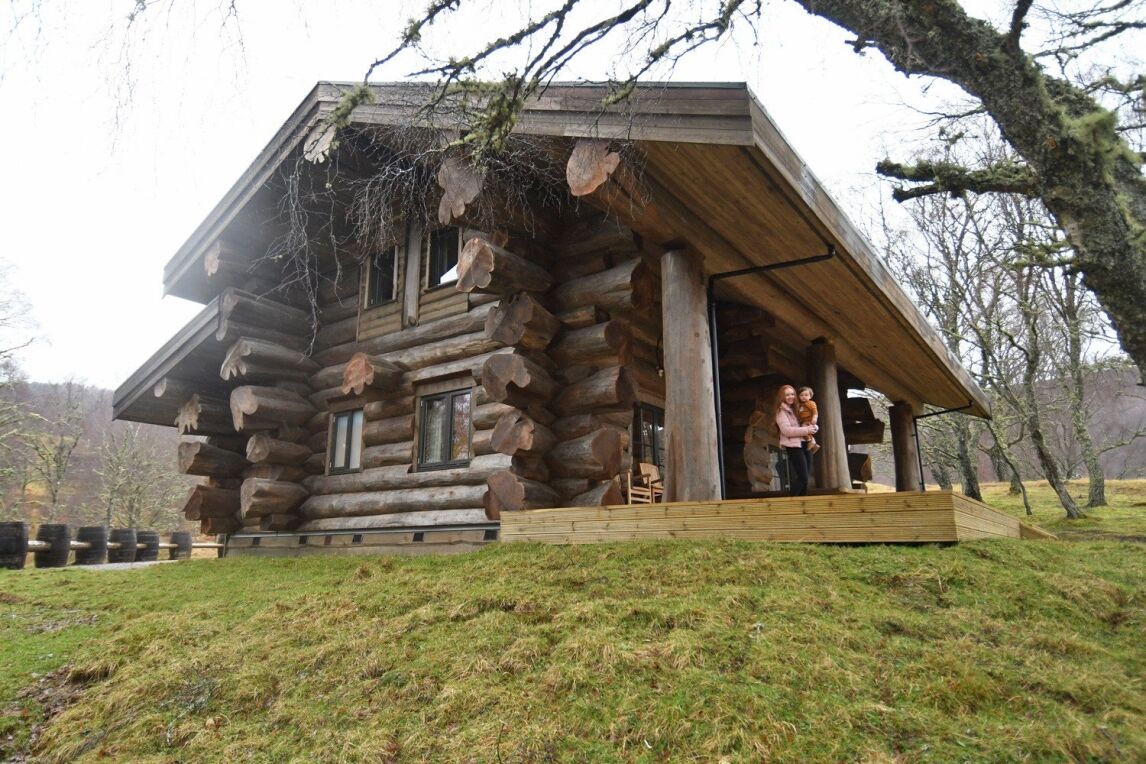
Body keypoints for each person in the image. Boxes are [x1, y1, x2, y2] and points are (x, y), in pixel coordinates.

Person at [773, 384, 818, 496]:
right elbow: (786, 430)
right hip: (793, 445)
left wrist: (814, 427)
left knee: (805, 478)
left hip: (805, 443)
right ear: (782, 397)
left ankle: (803, 503)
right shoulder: (781, 412)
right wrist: (807, 430)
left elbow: (808, 421)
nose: (791, 396)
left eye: (792, 394)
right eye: (787, 395)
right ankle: (791, 502)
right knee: (802, 476)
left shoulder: (797, 408)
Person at [797, 386, 820, 454]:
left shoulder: (811, 403)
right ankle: (814, 444)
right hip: (803, 421)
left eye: (806, 395)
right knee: (804, 431)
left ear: (810, 396)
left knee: (803, 430)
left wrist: (814, 418)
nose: (804, 397)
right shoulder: (800, 405)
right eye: (801, 395)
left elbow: (815, 411)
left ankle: (811, 440)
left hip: (809, 420)